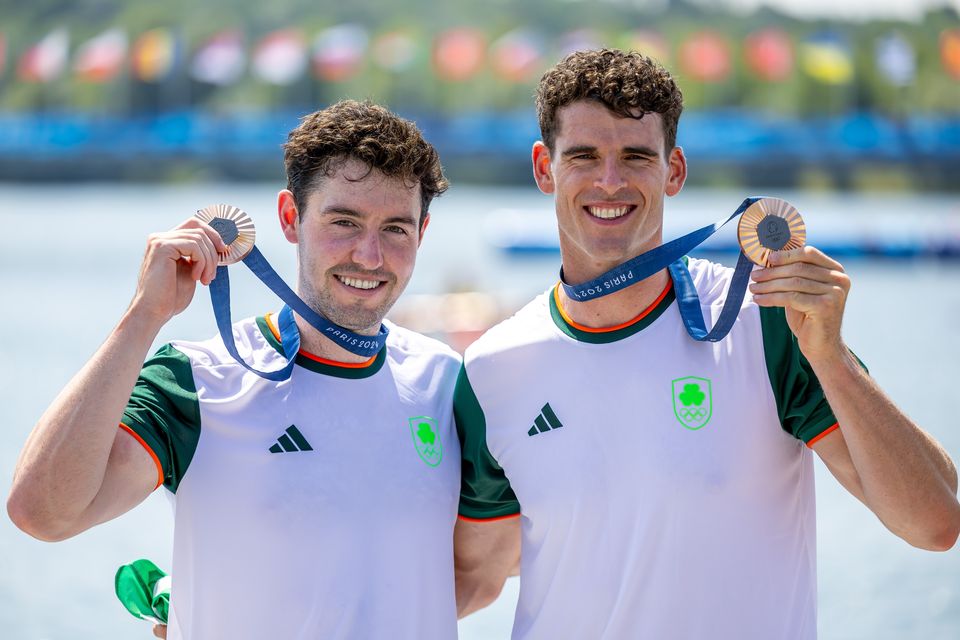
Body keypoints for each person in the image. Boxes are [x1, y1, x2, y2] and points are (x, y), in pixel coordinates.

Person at [452, 49, 960, 639]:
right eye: (585, 156)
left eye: (636, 156)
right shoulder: (491, 370)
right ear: (544, 168)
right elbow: (470, 577)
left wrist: (830, 355)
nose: (609, 181)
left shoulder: (764, 323)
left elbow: (935, 523)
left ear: (675, 170)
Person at [7, 100, 464, 639]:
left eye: (395, 228)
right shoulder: (197, 379)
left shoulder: (450, 381)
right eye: (344, 221)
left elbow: (478, 573)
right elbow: (44, 513)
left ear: (423, 231)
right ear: (291, 218)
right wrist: (143, 316)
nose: (369, 255)